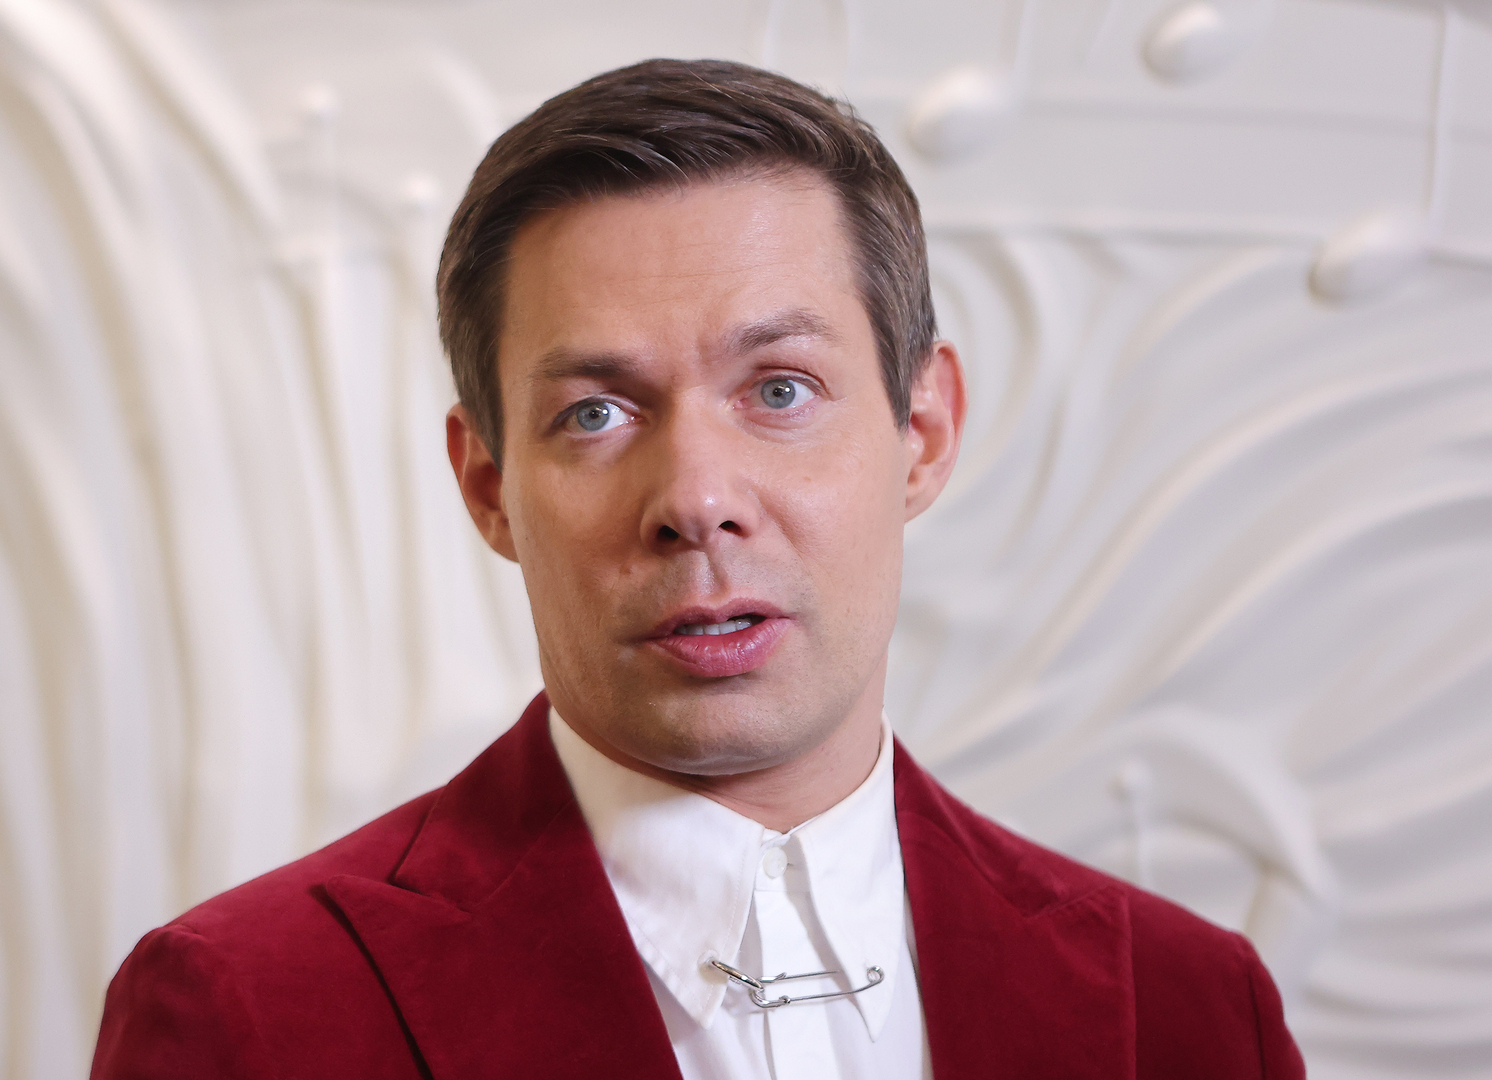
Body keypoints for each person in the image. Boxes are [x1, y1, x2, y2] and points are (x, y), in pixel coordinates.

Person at [90, 59, 1304, 1080]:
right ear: (490, 486)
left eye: (780, 390)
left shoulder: (1195, 1009)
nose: (695, 499)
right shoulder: (246, 1012)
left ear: (924, 432)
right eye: (595, 414)